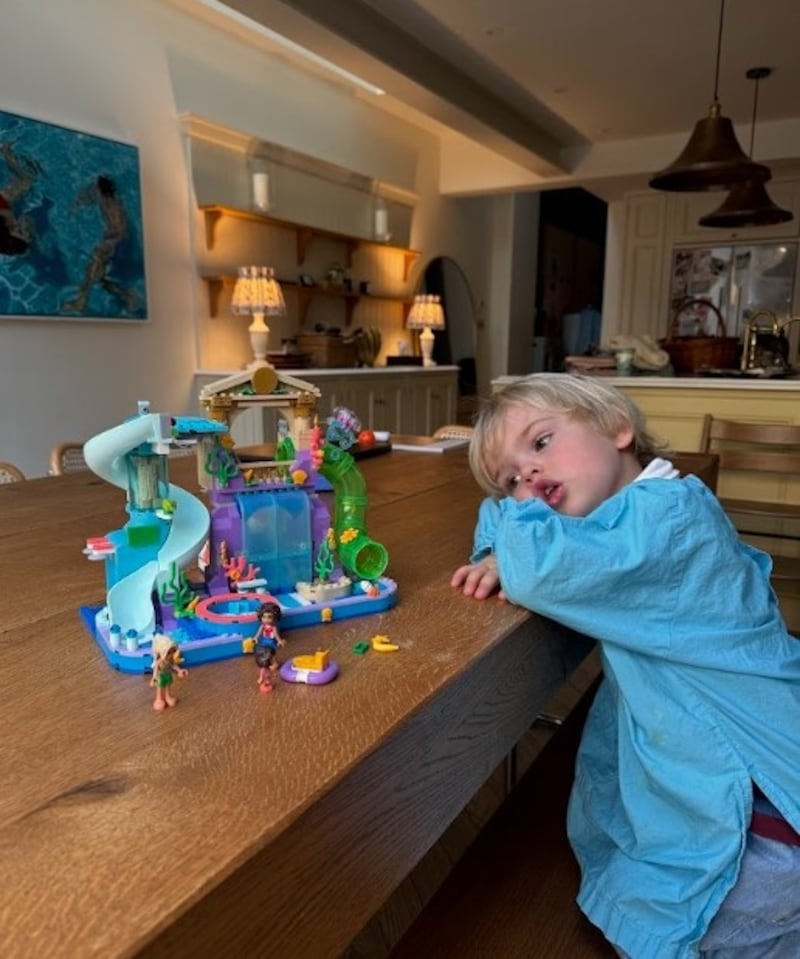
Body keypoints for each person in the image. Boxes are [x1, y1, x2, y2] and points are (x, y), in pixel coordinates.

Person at [451, 372, 800, 959]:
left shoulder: (665, 521)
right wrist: (494, 546)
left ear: (619, 429)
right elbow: (501, 519)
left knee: (695, 911)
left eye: (540, 443)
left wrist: (510, 541)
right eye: (512, 478)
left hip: (761, 795)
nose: (528, 478)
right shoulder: (635, 507)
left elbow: (538, 569)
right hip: (724, 763)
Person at [63, 174, 138, 313]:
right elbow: (89, 195)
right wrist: (77, 204)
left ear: (101, 191)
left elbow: (123, 231)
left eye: (96, 189)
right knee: (99, 277)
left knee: (93, 265)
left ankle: (81, 301)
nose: (94, 191)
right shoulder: (104, 199)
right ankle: (127, 295)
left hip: (118, 242)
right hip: (112, 239)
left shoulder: (113, 207)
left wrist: (108, 243)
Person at [150, 634, 188, 711]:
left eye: (172, 652)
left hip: (168, 675)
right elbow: (156, 668)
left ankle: (168, 697)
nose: (171, 655)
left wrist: (179, 670)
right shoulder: (160, 661)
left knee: (168, 686)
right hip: (160, 677)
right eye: (169, 653)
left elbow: (173, 665)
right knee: (159, 688)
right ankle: (159, 699)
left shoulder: (169, 660)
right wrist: (154, 677)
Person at [253, 601, 285, 693]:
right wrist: (255, 638)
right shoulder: (262, 626)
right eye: (264, 617)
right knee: (264, 652)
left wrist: (279, 641)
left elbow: (276, 635)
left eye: (269, 617)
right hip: (264, 641)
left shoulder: (273, 627)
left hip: (270, 641)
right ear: (261, 617)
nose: (266, 620)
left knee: (271, 652)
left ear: (274, 618)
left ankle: (274, 662)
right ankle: (267, 661)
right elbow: (258, 633)